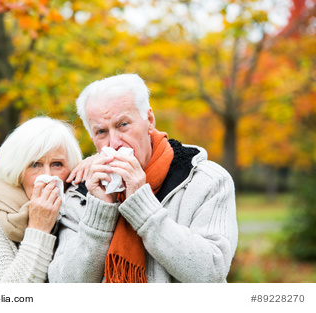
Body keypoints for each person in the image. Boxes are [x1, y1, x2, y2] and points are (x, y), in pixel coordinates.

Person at [48, 73, 238, 283]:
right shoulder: (81, 194)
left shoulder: (207, 180)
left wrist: (141, 204)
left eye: (123, 125)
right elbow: (63, 284)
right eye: (101, 131)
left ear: (149, 120)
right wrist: (99, 213)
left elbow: (211, 271)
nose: (114, 143)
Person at [0, 116, 83, 283]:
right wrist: (38, 229)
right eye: (35, 164)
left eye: (57, 164)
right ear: (17, 171)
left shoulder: (76, 210)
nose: (47, 176)